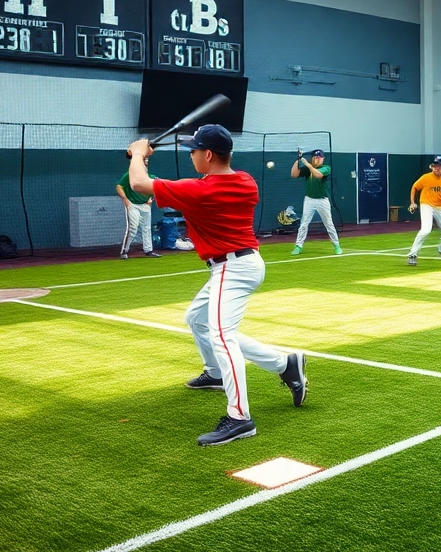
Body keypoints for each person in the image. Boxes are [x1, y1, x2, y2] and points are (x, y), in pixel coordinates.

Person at [126, 125, 306, 447]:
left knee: (222, 337)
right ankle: (267, 366)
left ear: (208, 155)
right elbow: (166, 187)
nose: (192, 155)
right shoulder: (245, 181)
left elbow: (139, 183)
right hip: (241, 264)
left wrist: (139, 153)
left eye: (194, 150)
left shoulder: (201, 190)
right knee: (197, 320)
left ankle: (240, 418)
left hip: (232, 268)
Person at [407, 156, 441, 265]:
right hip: (426, 204)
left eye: (439, 166)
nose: (437, 168)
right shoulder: (426, 178)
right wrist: (412, 202)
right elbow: (414, 187)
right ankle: (413, 253)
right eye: (435, 166)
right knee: (426, 229)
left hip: (440, 207)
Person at [290, 149, 342, 256]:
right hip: (309, 199)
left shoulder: (326, 168)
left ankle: (336, 245)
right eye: (315, 157)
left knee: (329, 224)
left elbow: (318, 175)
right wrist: (298, 160)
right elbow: (294, 174)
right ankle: (298, 246)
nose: (317, 159)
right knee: (304, 224)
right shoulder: (307, 168)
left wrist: (308, 165)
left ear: (323, 159)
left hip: (322, 200)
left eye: (319, 158)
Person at [117, 154, 162, 260]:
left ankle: (148, 250)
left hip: (145, 205)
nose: (145, 163)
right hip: (132, 204)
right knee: (133, 228)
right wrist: (125, 200)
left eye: (146, 161)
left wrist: (151, 200)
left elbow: (157, 187)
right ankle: (124, 251)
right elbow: (119, 186)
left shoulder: (150, 177)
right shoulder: (129, 175)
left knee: (146, 228)